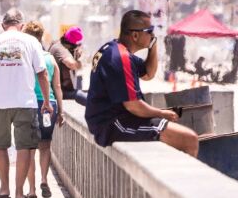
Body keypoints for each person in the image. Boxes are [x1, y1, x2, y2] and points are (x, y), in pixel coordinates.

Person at [84, 10, 199, 157]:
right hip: (113, 124)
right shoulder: (121, 57)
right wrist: (161, 113)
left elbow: (148, 74)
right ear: (135, 35)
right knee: (189, 139)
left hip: (115, 119)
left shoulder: (116, 50)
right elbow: (133, 105)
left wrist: (153, 46)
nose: (152, 35)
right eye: (149, 31)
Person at [0, 9, 53, 198]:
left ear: (3, 25)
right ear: (22, 25)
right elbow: (42, 74)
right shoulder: (31, 42)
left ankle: (3, 189)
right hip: (25, 103)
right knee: (24, 146)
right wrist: (46, 102)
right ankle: (19, 192)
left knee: (0, 145)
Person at [22, 21, 64, 198]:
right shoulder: (50, 58)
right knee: (45, 146)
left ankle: (31, 189)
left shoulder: (25, 57)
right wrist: (60, 111)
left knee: (30, 147)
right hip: (49, 105)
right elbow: (58, 86)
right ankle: (44, 179)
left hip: (30, 104)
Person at [48, 26, 87, 105]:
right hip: (57, 92)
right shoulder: (60, 48)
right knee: (82, 96)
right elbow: (71, 64)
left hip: (59, 89)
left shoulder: (58, 44)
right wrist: (81, 61)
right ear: (72, 44)